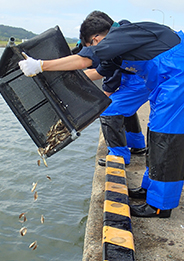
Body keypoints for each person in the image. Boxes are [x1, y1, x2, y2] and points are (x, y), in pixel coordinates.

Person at [19, 11, 184, 218]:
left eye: (91, 46)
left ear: (96, 39)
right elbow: (97, 70)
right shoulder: (118, 49)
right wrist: (60, 82)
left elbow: (84, 61)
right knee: (156, 133)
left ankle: (160, 206)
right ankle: (149, 188)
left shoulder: (122, 35)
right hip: (164, 82)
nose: (93, 49)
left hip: (179, 78)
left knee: (167, 137)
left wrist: (41, 66)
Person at [75, 11, 146, 167]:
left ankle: (118, 156)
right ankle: (136, 144)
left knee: (109, 108)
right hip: (137, 76)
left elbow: (108, 82)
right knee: (125, 107)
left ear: (96, 38)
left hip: (143, 79)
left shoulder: (113, 46)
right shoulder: (123, 26)